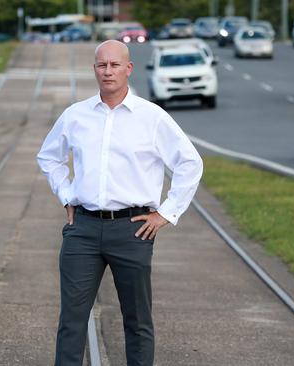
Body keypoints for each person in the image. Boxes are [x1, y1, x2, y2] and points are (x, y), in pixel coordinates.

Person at [36, 40, 203, 366]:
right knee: (71, 321)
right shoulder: (76, 115)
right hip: (82, 228)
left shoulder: (152, 117)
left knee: (137, 321)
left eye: (114, 65)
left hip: (133, 230)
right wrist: (67, 195)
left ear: (128, 69)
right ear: (94, 69)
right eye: (102, 65)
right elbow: (49, 157)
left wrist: (166, 213)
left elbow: (189, 163)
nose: (108, 71)